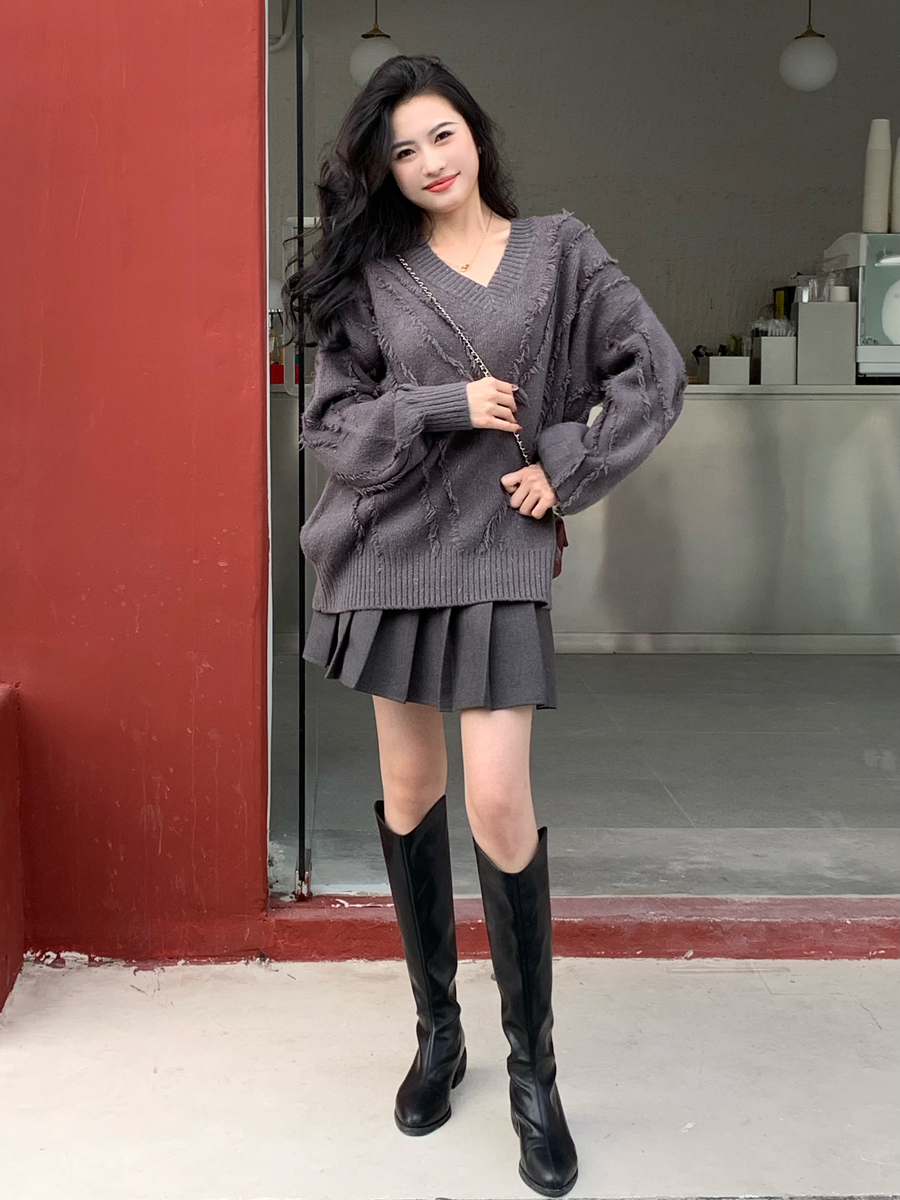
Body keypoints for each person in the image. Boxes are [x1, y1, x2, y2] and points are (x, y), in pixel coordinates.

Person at [284, 54, 686, 1200]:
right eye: (402, 150)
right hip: (393, 553)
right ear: (383, 170)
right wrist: (438, 405)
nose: (427, 162)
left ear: (476, 132)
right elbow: (332, 424)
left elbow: (652, 372)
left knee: (500, 799)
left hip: (500, 548)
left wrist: (567, 467)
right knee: (411, 793)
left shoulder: (560, 250)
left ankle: (533, 1077)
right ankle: (438, 1034)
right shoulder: (377, 278)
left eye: (441, 135)